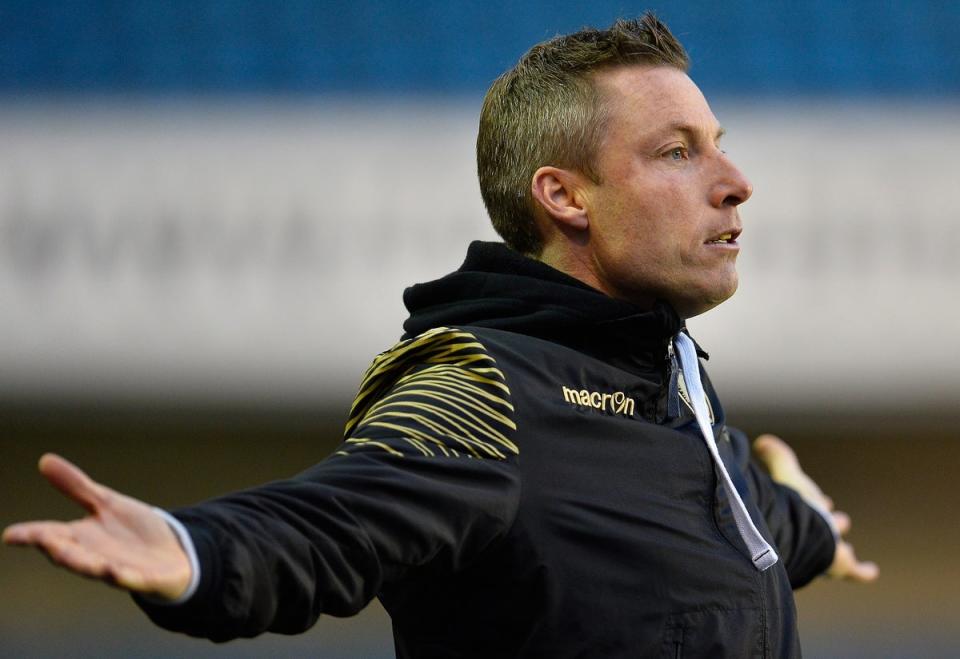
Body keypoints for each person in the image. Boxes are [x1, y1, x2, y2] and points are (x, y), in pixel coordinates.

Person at [3, 13, 877, 658]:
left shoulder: (664, 372)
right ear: (565, 196)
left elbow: (711, 505)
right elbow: (338, 518)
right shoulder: (484, 383)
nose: (736, 182)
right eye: (678, 152)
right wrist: (196, 551)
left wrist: (808, 526)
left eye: (717, 144)